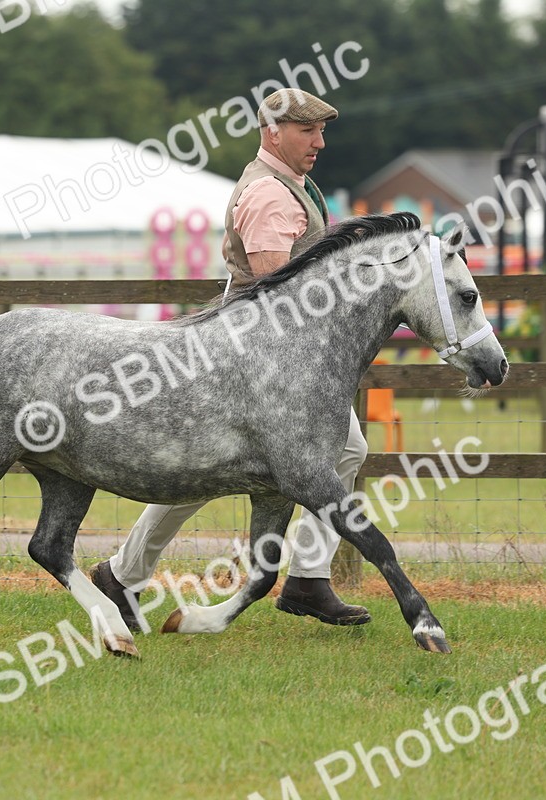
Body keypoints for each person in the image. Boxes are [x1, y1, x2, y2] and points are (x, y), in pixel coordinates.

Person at [91, 88, 371, 630]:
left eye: (321, 131)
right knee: (203, 469)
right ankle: (304, 581)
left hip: (267, 360)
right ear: (273, 131)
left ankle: (306, 580)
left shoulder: (293, 185)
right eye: (308, 131)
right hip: (257, 362)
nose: (320, 142)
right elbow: (277, 294)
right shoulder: (268, 194)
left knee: (326, 451)